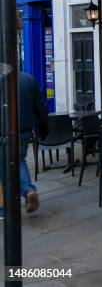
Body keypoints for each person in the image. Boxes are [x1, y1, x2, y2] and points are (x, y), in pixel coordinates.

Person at [0, 72, 49, 218]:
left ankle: (3, 209)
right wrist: (44, 127)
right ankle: (28, 190)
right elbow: (41, 107)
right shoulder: (28, 79)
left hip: (2, 134)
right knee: (19, 161)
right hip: (23, 132)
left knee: (2, 170)